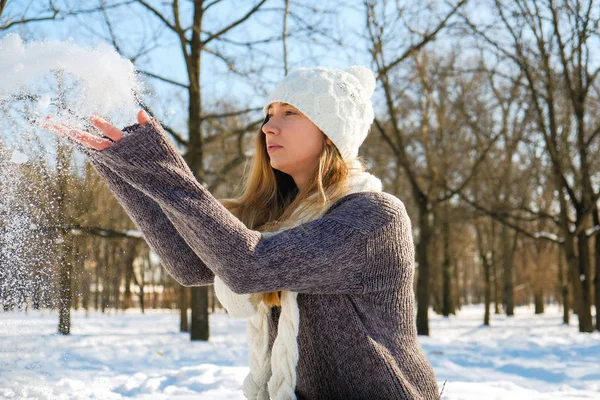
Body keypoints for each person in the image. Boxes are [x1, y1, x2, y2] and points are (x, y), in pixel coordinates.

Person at [42, 65, 440, 399]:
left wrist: (157, 166)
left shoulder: (373, 218)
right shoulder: (276, 220)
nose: (269, 126)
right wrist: (120, 164)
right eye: (269, 114)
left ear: (331, 131)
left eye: (290, 113)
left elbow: (247, 265)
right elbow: (189, 263)